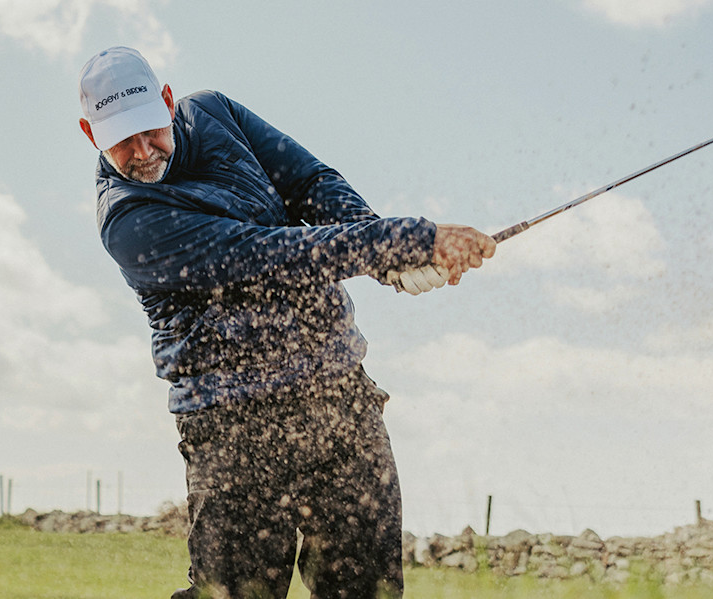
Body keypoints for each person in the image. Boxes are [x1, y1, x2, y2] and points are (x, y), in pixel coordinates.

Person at [78, 47, 496, 598]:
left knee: (368, 589)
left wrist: (385, 256)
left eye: (150, 130)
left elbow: (309, 183)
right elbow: (270, 257)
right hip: (233, 425)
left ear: (168, 101)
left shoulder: (216, 112)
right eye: (122, 141)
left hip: (337, 393)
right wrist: (403, 242)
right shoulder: (128, 220)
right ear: (90, 134)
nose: (141, 151)